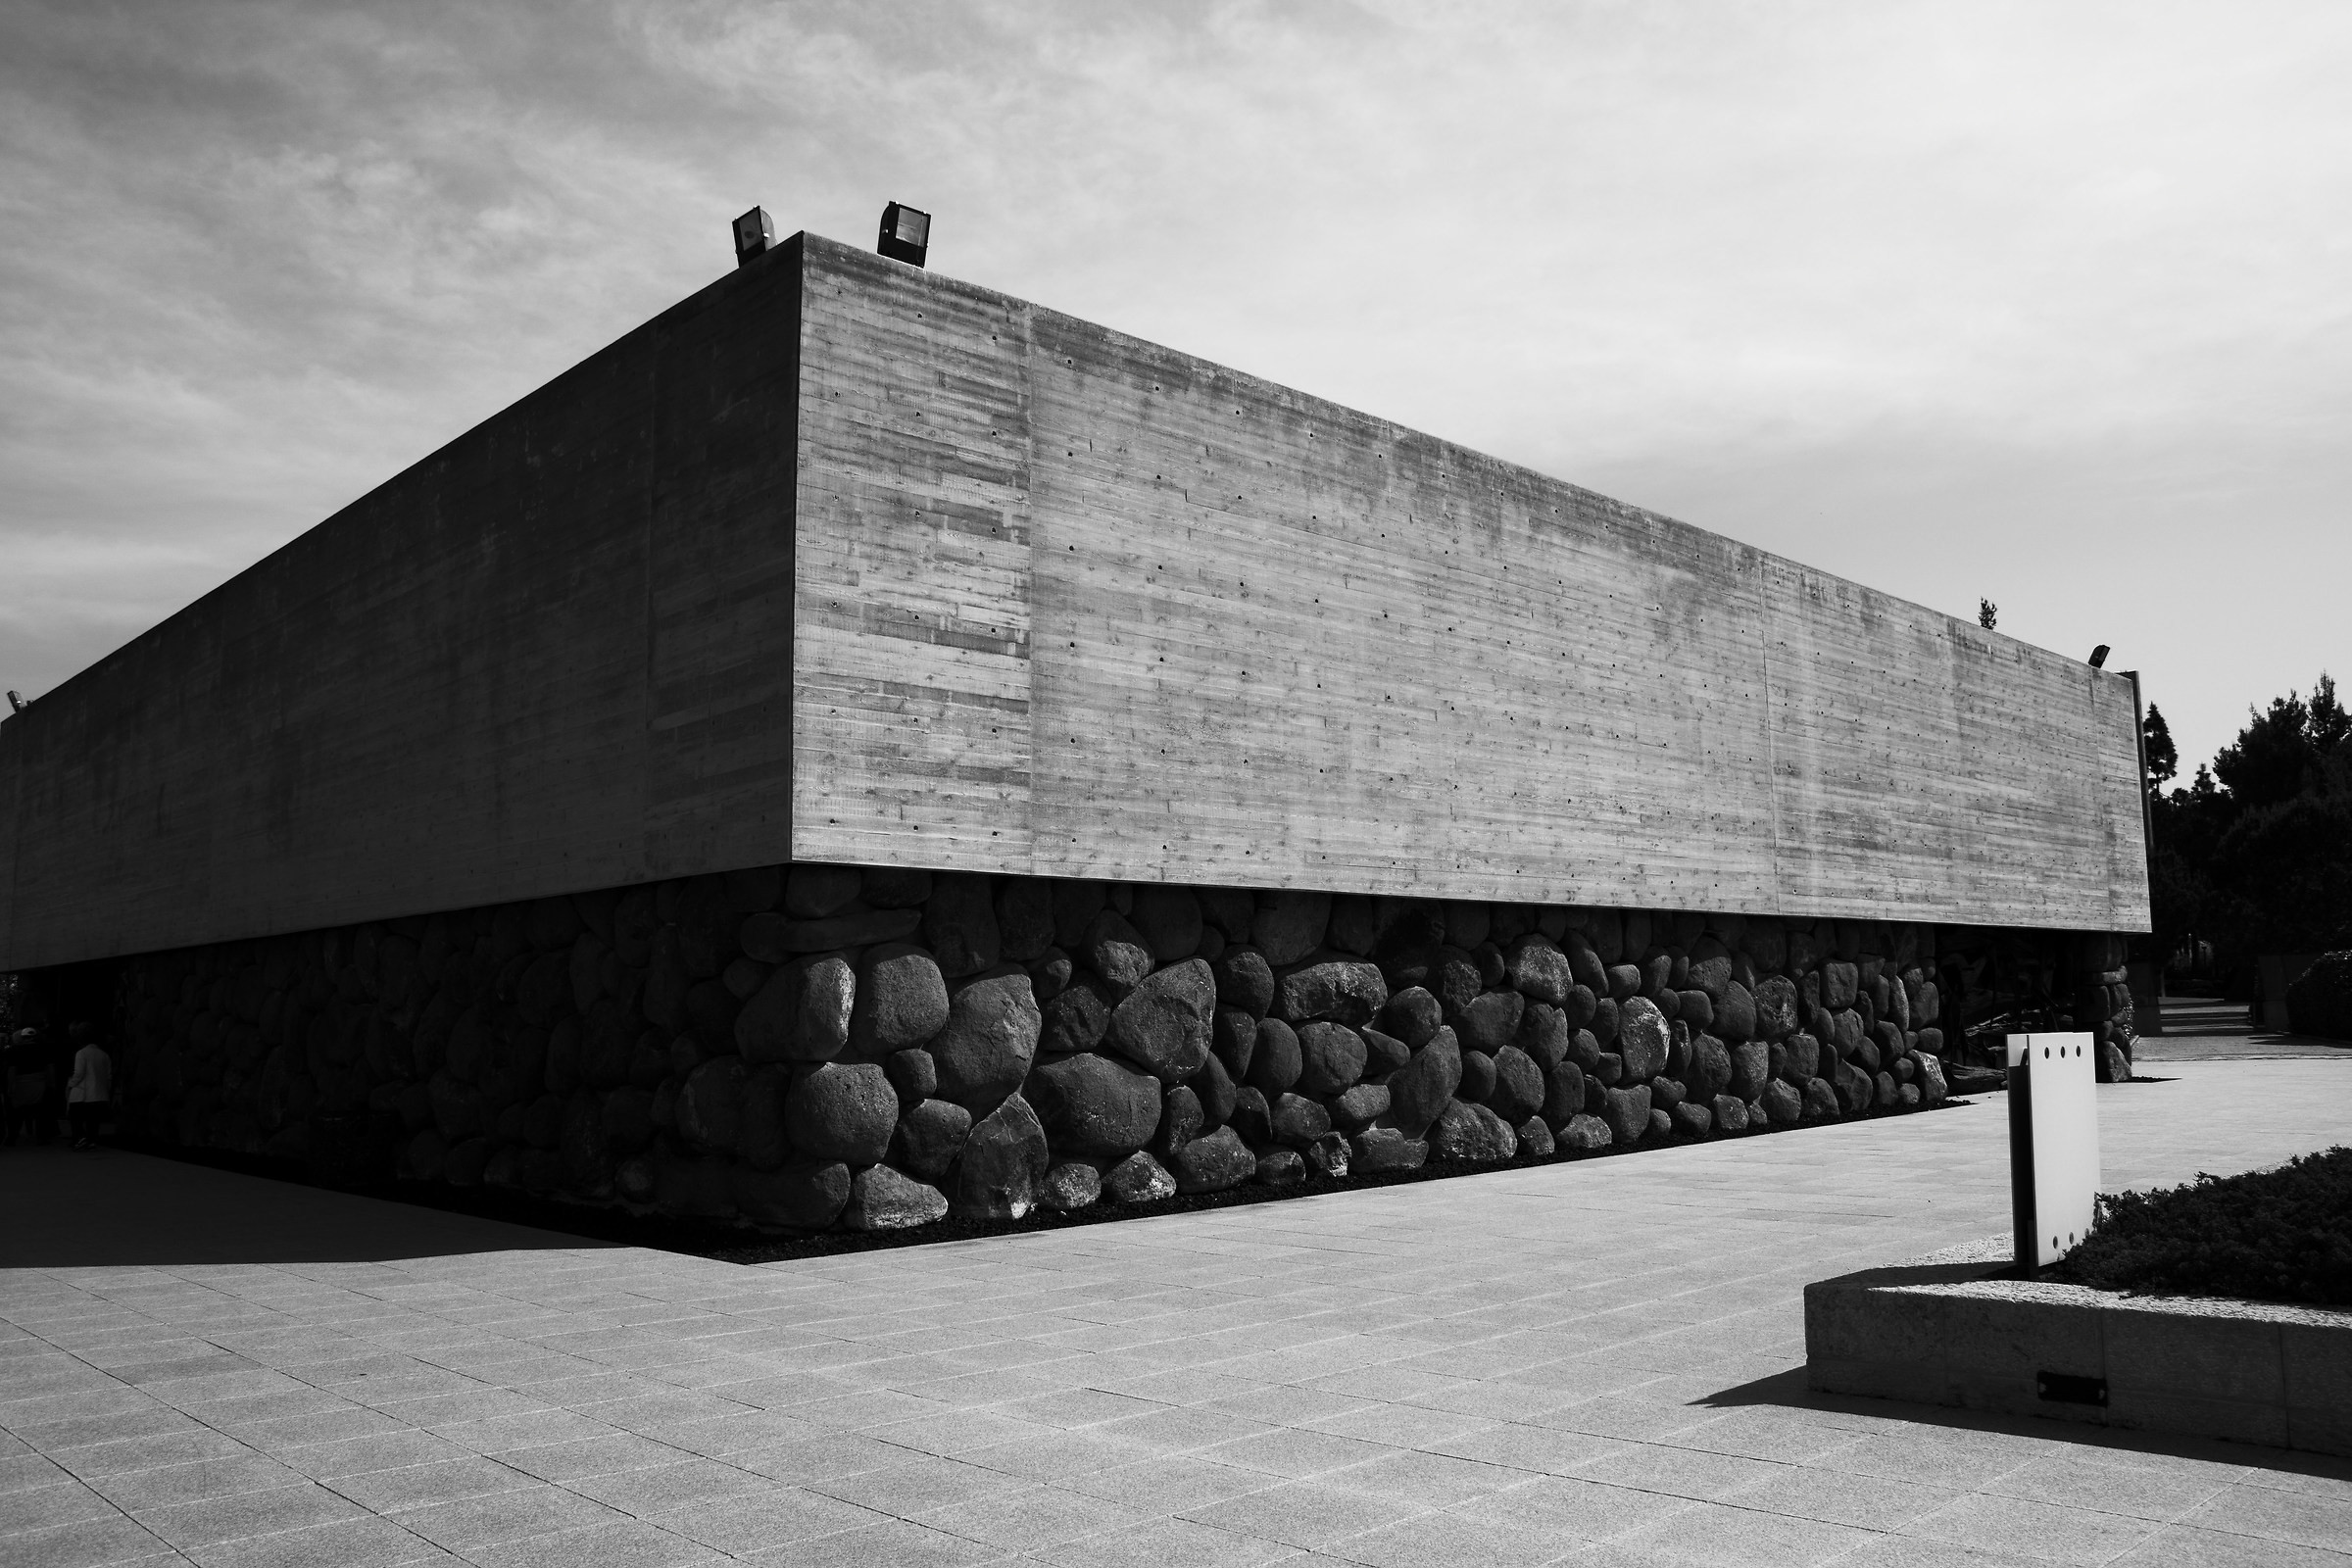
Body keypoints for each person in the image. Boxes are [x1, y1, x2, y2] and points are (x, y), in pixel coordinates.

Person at [67, 1028, 113, 1151]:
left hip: (82, 1092)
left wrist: (71, 1084)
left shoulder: (81, 1053)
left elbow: (79, 1073)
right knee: (93, 1119)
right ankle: (92, 1140)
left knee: (76, 1117)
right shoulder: (104, 1054)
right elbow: (108, 1076)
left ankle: (80, 1138)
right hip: (99, 1092)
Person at [6, 1028, 49, 1146]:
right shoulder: (43, 1049)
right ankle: (42, 1137)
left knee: (16, 1113)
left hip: (20, 1083)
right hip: (39, 1083)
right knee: (40, 1112)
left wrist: (10, 1086)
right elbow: (49, 1068)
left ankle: (12, 1137)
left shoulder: (13, 1051)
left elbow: (12, 1069)